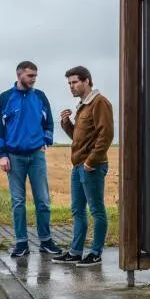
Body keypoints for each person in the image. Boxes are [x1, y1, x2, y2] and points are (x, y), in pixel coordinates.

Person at [0, 61, 63, 257]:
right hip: (14, 157)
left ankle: (46, 241)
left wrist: (46, 141)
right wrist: (2, 155)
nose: (34, 79)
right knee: (18, 202)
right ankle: (21, 243)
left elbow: (49, 123)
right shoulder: (5, 98)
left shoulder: (40, 96)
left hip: (36, 156)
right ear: (19, 75)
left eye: (35, 76)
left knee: (43, 201)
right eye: (30, 76)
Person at [52, 66, 115, 267]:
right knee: (77, 210)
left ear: (86, 80)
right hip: (78, 165)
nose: (71, 86)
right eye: (69, 83)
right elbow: (79, 139)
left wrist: (91, 161)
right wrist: (66, 123)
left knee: (96, 210)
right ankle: (75, 252)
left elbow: (106, 134)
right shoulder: (83, 106)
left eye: (75, 82)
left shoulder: (99, 102)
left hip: (92, 166)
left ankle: (95, 253)